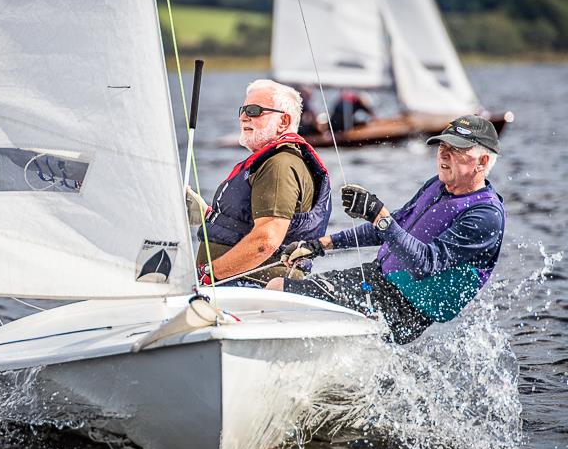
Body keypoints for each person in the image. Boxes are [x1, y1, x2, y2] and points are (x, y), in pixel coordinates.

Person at [266, 115, 505, 344]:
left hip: (403, 309)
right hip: (375, 279)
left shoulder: (485, 214)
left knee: (280, 291)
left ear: (482, 162)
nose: (444, 153)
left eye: (457, 149)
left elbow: (425, 264)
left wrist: (379, 216)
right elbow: (394, 225)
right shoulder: (437, 185)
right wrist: (319, 245)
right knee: (277, 287)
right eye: (442, 145)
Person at [185, 79, 331, 286]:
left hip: (253, 289)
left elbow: (266, 241)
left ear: (283, 121)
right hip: (234, 285)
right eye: (242, 110)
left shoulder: (280, 165)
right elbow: (249, 223)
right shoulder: (271, 162)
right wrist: (208, 215)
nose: (243, 117)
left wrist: (208, 274)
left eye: (254, 111)